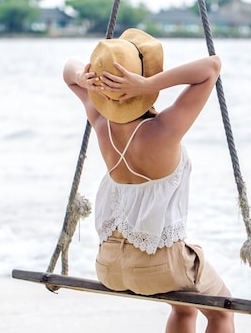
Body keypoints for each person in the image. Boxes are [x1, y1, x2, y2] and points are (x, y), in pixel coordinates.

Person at [63, 28, 235, 333]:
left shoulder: (101, 123)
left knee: (184, 309)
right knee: (222, 311)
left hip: (109, 266)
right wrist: (148, 84)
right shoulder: (164, 129)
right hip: (160, 267)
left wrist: (87, 78)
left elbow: (68, 70)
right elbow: (212, 66)